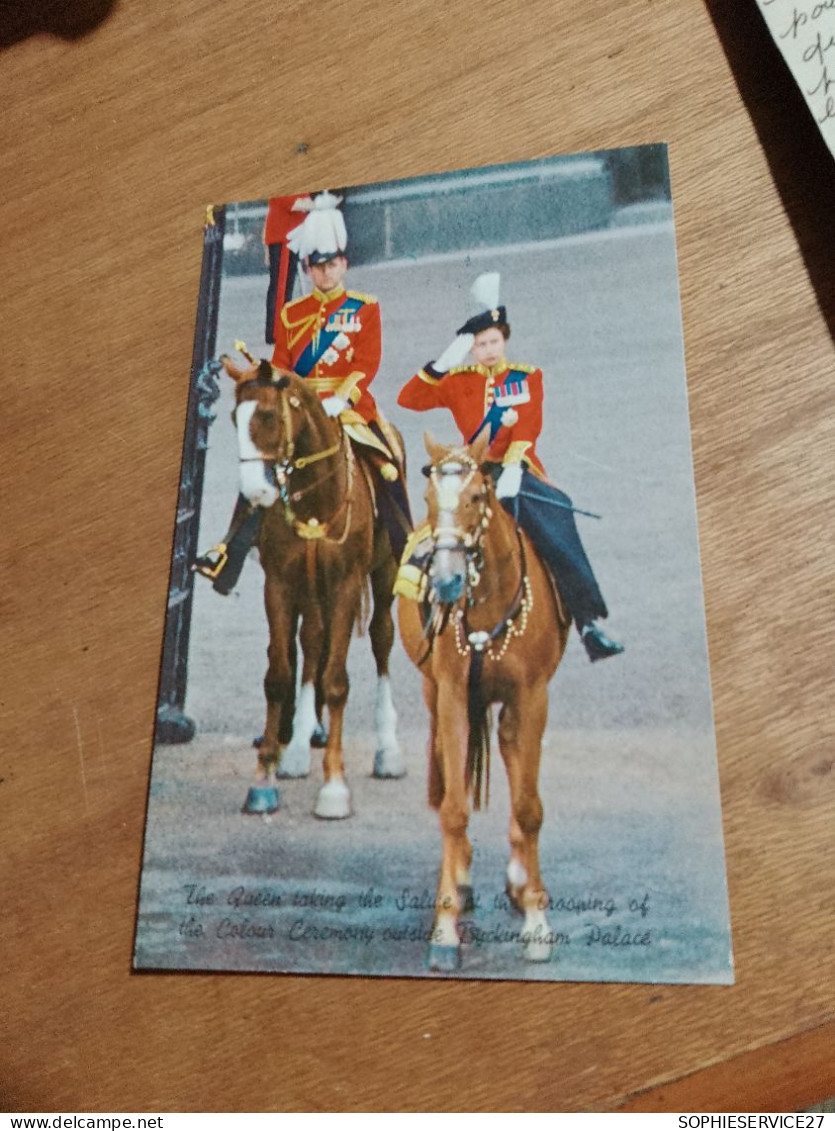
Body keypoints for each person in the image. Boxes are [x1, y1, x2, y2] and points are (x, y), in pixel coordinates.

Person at [396, 273, 623, 662]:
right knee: (435, 530)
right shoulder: (458, 380)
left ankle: (586, 620)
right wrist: (443, 362)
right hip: (473, 470)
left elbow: (530, 424)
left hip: (516, 469)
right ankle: (425, 611)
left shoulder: (527, 377)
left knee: (557, 521)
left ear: (505, 340)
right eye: (480, 344)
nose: (488, 350)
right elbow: (409, 398)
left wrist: (516, 465)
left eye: (494, 342)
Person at [194, 192, 411, 594]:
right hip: (301, 407)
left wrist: (342, 397)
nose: (326, 273)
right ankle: (229, 553)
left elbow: (366, 363)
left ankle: (409, 553)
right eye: (317, 267)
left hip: (350, 408)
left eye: (332, 265)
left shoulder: (365, 308)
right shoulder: (292, 314)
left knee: (388, 462)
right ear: (307, 270)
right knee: (260, 467)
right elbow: (284, 365)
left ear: (344, 264)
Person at [262, 194, 312, 345]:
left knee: (286, 286)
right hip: (283, 236)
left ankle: (280, 327)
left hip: (292, 236)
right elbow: (295, 204)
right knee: (280, 288)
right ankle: (276, 332)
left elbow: (305, 202)